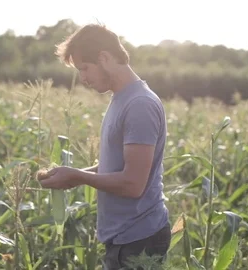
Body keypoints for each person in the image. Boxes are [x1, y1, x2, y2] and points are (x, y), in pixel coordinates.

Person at [37, 23, 171, 269]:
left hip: (140, 239)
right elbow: (115, 166)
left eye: (85, 68)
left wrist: (77, 176)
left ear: (105, 58)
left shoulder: (139, 104)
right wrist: (73, 176)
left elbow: (133, 184)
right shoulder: (121, 98)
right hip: (124, 236)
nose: (83, 78)